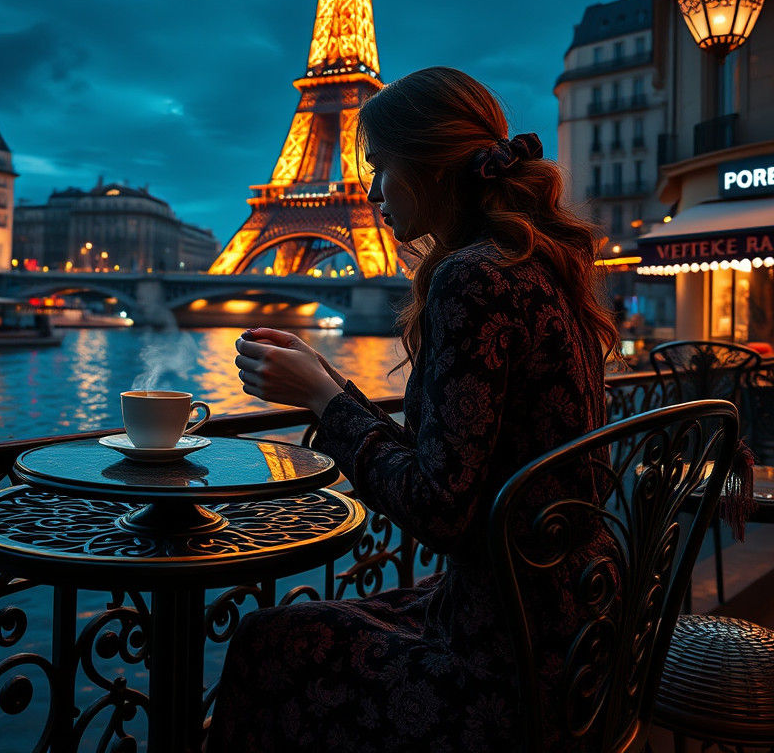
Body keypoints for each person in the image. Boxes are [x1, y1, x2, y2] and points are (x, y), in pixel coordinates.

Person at [208, 66, 620, 752]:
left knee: (264, 642)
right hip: (575, 621)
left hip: (505, 663)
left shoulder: (471, 278)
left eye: (379, 167)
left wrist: (321, 401)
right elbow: (458, 454)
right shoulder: (529, 265)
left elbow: (439, 510)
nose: (371, 191)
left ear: (430, 167)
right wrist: (331, 384)